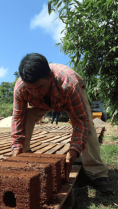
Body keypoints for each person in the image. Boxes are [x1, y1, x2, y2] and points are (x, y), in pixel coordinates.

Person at [11, 53, 114, 195]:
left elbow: (80, 121)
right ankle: (25, 155)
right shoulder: (21, 88)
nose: (34, 93)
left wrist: (74, 151)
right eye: (30, 89)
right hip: (44, 103)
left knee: (88, 125)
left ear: (50, 77)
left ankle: (97, 173)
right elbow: (17, 118)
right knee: (26, 115)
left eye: (39, 87)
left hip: (68, 96)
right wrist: (17, 147)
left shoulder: (69, 84)